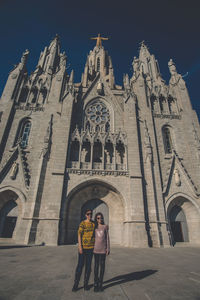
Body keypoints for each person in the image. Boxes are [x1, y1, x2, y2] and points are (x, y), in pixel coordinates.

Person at [72, 208, 95, 292]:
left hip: (91, 248)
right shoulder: (82, 223)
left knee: (88, 267)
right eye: (88, 214)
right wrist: (80, 247)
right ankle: (76, 284)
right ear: (85, 215)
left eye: (91, 214)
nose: (90, 215)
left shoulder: (93, 224)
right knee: (80, 266)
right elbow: (79, 235)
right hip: (83, 248)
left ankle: (86, 284)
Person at [93, 212, 110, 292]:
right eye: (98, 218)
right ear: (96, 219)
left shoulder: (105, 227)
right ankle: (95, 283)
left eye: (101, 218)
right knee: (96, 267)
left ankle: (100, 284)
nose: (100, 219)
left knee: (102, 267)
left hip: (103, 249)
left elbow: (107, 238)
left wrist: (108, 248)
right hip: (95, 249)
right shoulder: (94, 227)